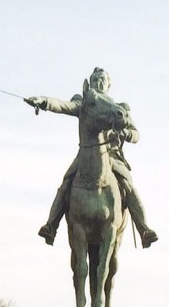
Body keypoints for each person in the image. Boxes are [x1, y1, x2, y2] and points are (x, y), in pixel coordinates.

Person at [26, 68, 158, 247]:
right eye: (95, 79)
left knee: (127, 185)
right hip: (87, 157)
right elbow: (63, 106)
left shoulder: (118, 108)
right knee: (67, 182)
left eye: (102, 79)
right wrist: (44, 101)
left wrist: (125, 133)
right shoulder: (84, 103)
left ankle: (144, 229)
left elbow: (136, 134)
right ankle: (51, 226)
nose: (99, 82)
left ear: (108, 84)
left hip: (112, 157)